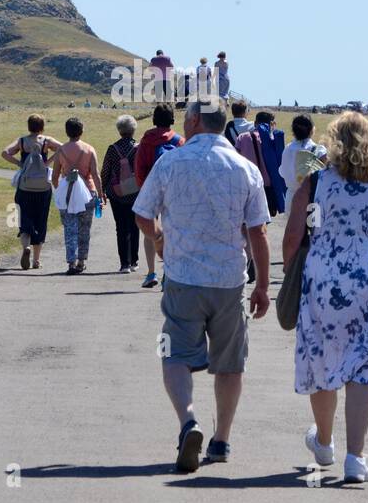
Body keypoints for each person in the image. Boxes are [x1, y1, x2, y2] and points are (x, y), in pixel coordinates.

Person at [132, 99, 271, 472]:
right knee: (229, 364)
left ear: (193, 121)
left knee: (174, 355)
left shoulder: (170, 162)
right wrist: (263, 286)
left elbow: (142, 213)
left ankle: (187, 421)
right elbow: (257, 230)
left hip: (183, 277)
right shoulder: (245, 169)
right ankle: (221, 439)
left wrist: (160, 240)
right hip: (228, 281)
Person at [283, 112, 368, 484]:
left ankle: (324, 442)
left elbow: (293, 236)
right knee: (363, 370)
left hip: (326, 281)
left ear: (334, 144)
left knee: (325, 360)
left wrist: (289, 276)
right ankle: (355, 458)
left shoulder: (315, 185)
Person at [134, 104, 183, 288]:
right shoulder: (179, 141)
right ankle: (168, 272)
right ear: (172, 119)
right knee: (171, 230)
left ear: (154, 119)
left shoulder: (146, 140)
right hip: (174, 192)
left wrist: (143, 188)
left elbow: (139, 168)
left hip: (151, 189)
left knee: (149, 231)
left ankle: (151, 272)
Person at [2, 115, 59, 270]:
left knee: (24, 217)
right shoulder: (46, 141)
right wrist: (48, 162)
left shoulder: (22, 141)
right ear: (42, 126)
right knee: (41, 220)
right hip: (43, 188)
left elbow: (5, 152)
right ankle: (36, 260)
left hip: (25, 187)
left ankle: (25, 246)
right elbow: (63, 148)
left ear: (29, 126)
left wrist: (20, 164)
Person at [50, 117, 104, 275]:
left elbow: (55, 176)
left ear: (66, 131)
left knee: (69, 228)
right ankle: (81, 261)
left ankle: (71, 262)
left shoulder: (61, 150)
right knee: (84, 229)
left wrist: (60, 190)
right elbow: (95, 174)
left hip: (68, 194)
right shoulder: (89, 149)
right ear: (82, 131)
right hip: (87, 193)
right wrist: (100, 195)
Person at [101, 114, 141, 273]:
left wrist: (102, 190)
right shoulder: (139, 148)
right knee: (134, 226)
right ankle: (134, 261)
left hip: (116, 194)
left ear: (119, 130)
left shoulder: (112, 149)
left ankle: (124, 263)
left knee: (121, 227)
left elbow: (105, 171)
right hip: (135, 193)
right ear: (133, 130)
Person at [279, 114, 327, 187]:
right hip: (311, 196)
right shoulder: (320, 151)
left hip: (290, 195)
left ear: (293, 131)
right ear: (312, 130)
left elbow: (282, 172)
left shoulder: (287, 149)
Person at [254, 111, 287, 217]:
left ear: (256, 122)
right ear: (272, 123)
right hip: (271, 187)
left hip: (255, 183)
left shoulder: (248, 136)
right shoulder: (276, 139)